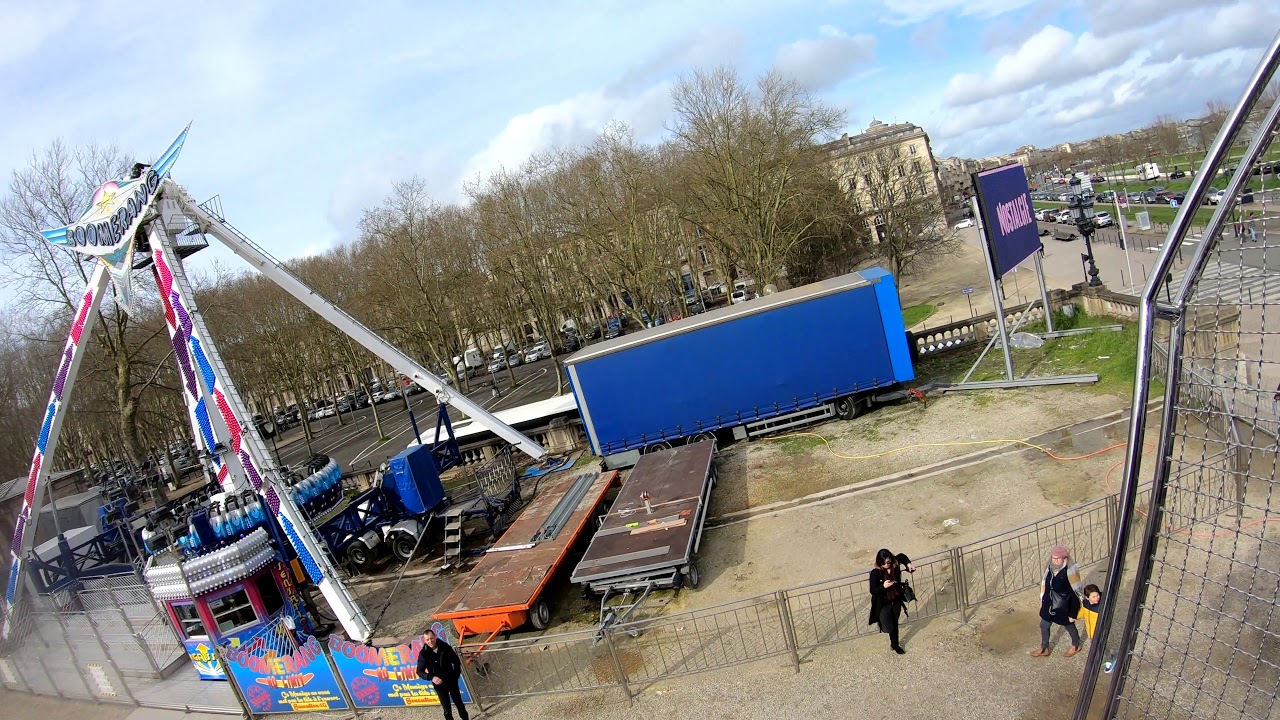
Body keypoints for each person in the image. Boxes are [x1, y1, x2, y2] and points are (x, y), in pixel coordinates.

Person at [1033, 544, 1084, 657]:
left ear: (1064, 558)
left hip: (1064, 605)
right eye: (1054, 558)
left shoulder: (1070, 571)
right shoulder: (1049, 568)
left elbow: (1076, 593)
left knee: (1069, 625)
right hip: (1049, 603)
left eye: (1059, 558)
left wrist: (1073, 613)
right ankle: (1044, 648)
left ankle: (1076, 645)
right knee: (1044, 625)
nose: (1056, 561)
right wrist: (1043, 600)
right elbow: (1045, 585)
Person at [868, 548, 915, 654]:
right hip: (883, 603)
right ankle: (883, 626)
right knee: (887, 627)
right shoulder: (876, 572)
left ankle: (895, 644)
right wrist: (883, 586)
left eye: (888, 562)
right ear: (879, 563)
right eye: (883, 563)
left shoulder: (895, 564)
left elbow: (902, 556)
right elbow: (873, 590)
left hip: (896, 599)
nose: (886, 565)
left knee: (894, 623)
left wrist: (908, 564)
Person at [415, 628, 469, 720]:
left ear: (435, 636)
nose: (430, 641)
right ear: (425, 640)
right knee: (447, 709)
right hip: (439, 685)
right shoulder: (423, 654)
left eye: (431, 638)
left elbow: (456, 660)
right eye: (427, 639)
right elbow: (419, 671)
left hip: (451, 680)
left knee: (459, 704)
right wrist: (432, 677)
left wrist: (456, 674)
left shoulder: (445, 647)